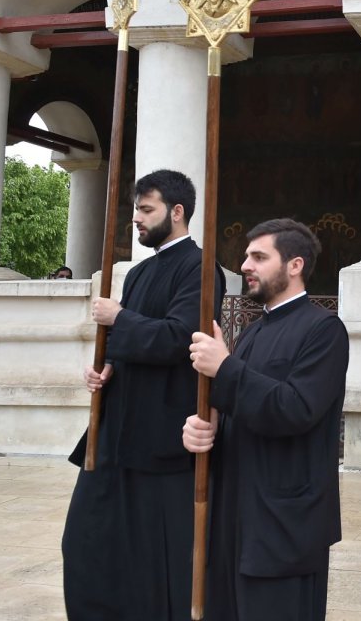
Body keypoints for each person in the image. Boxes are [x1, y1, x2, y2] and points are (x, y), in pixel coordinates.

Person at [62, 169, 225, 620]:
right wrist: (105, 367)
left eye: (146, 209)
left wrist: (118, 319)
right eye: (135, 209)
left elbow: (180, 339)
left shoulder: (200, 267)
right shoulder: (138, 273)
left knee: (154, 559)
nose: (136, 218)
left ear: (177, 212)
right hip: (114, 432)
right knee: (87, 543)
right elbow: (126, 346)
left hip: (162, 439)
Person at [183, 218, 349, 621]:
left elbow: (295, 409)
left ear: (294, 265)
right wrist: (206, 428)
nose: (245, 265)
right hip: (237, 514)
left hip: (285, 522)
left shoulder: (324, 330)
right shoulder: (253, 333)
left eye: (258, 256)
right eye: (245, 256)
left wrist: (225, 368)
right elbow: (238, 406)